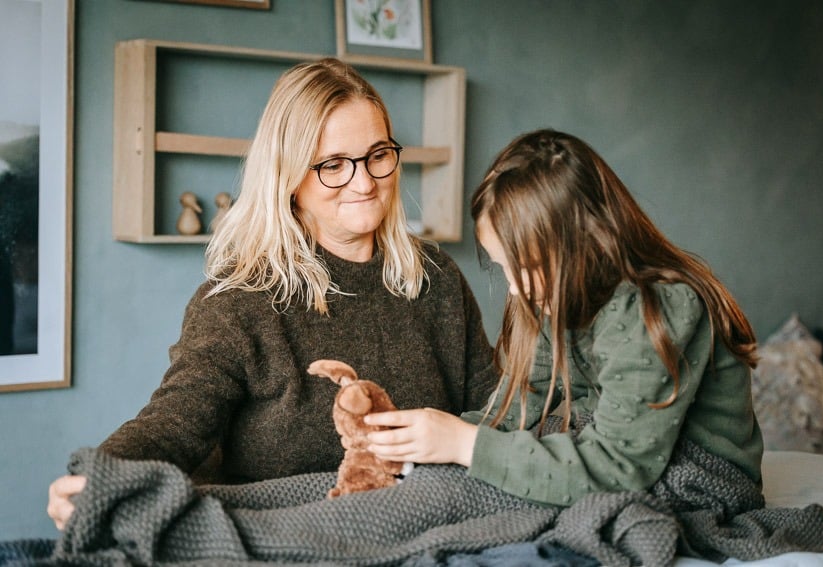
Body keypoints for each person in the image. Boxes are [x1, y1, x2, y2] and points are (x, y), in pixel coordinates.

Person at [47, 58, 497, 529]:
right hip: (283, 539)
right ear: (289, 178)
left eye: (378, 155)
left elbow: (497, 412)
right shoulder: (240, 301)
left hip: (427, 529)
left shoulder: (435, 277)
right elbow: (177, 421)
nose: (364, 182)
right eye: (333, 165)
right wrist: (100, 476)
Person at [366, 128, 763, 506]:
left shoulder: (655, 307)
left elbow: (619, 468)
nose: (516, 289)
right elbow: (510, 414)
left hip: (701, 477)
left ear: (590, 244)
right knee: (452, 477)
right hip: (614, 448)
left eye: (530, 267)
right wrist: (428, 439)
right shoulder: (552, 300)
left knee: (489, 493)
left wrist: (464, 444)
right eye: (505, 267)